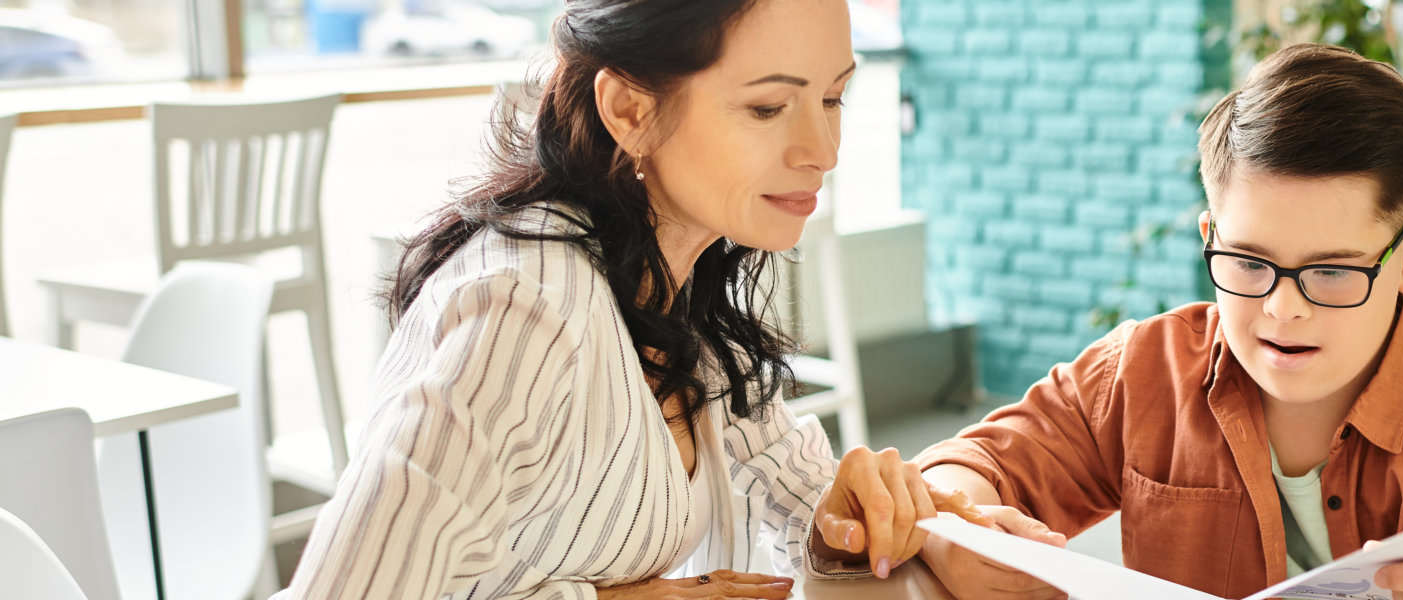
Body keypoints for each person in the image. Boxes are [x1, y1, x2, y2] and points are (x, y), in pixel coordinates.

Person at [276, 0, 989, 598]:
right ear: (628, 109)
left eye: (833, 98)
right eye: (769, 107)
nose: (824, 148)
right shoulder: (522, 312)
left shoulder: (676, 278)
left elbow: (789, 490)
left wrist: (845, 517)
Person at [908, 44, 1403, 600]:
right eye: (1248, 262)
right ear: (1211, 235)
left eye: (1331, 271)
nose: (1282, 308)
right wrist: (956, 526)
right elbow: (974, 464)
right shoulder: (1143, 372)